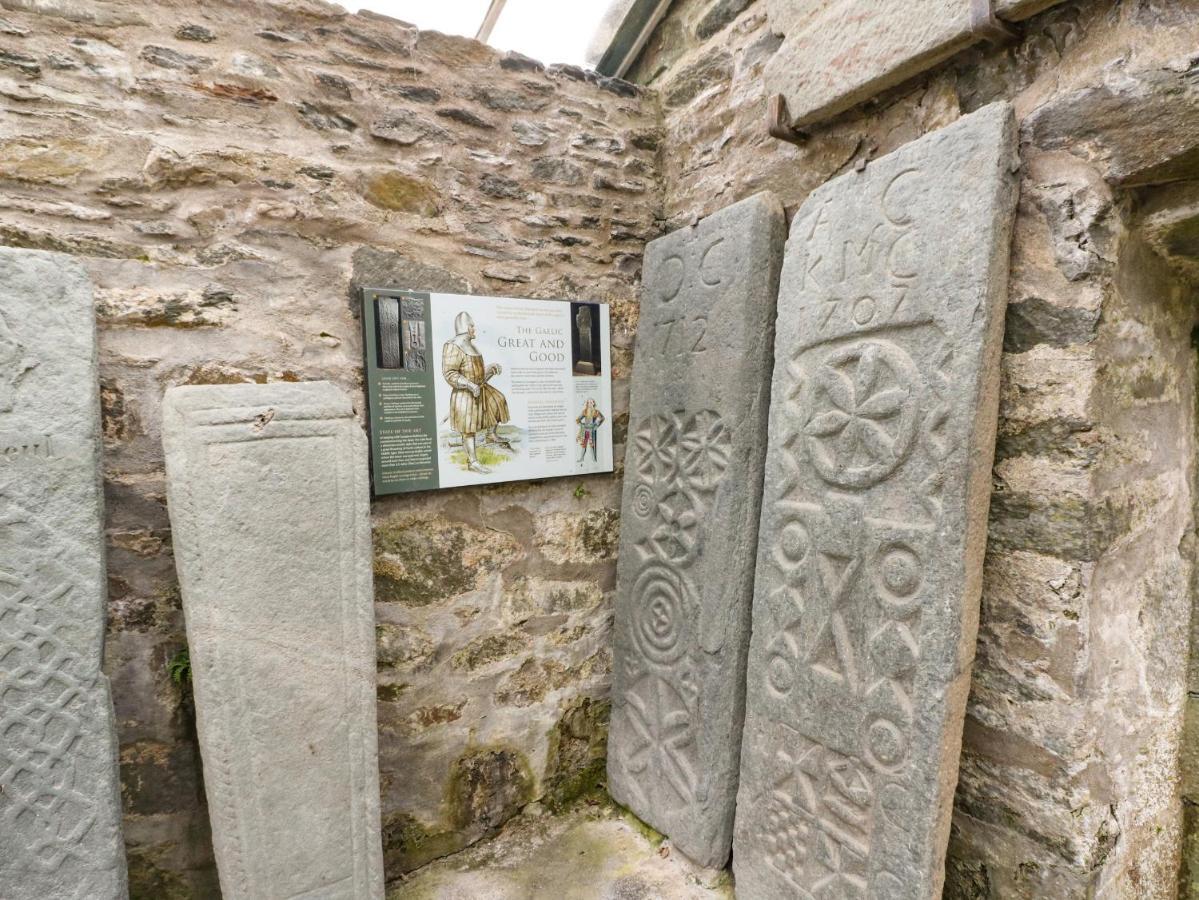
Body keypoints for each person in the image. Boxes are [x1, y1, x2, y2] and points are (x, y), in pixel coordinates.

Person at [442, 311, 511, 473]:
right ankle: (472, 462)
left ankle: (491, 435)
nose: (474, 328)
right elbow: (450, 374)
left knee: (498, 400)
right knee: (469, 428)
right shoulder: (453, 346)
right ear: (465, 327)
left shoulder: (472, 346)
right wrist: (469, 385)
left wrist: (491, 369)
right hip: (465, 393)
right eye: (472, 325)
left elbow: (477, 373)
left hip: (479, 387)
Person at [576, 399, 605, 463]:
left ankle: (594, 459)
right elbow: (578, 419)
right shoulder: (585, 411)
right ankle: (581, 458)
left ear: (593, 403)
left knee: (592, 445)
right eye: (588, 402)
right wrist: (581, 425)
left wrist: (596, 426)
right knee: (584, 445)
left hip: (592, 431)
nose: (590, 404)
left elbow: (602, 418)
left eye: (591, 402)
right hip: (585, 430)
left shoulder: (596, 411)